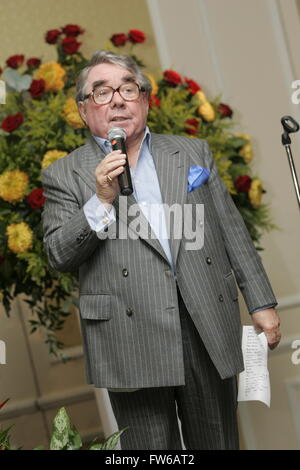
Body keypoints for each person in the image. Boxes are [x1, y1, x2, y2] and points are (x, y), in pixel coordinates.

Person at [42, 50, 281, 450]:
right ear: (84, 110)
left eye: (127, 88)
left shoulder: (191, 153)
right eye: (101, 92)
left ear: (146, 100)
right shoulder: (65, 174)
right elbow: (58, 255)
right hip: (129, 336)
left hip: (204, 322)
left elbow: (229, 231)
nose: (117, 99)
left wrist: (261, 302)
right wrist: (100, 201)